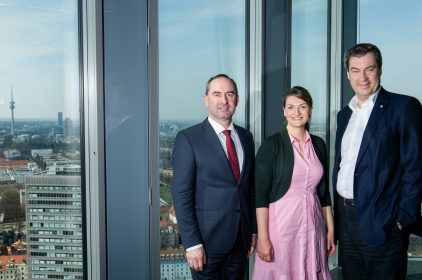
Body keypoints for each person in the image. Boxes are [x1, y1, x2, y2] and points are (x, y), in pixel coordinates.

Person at [332, 43, 422, 280]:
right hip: (346, 221)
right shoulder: (344, 114)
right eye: (355, 70)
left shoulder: (403, 107)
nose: (362, 77)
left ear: (379, 70)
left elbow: (415, 167)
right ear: (348, 73)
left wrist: (404, 218)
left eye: (369, 69)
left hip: (384, 222)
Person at [171, 74, 257, 279]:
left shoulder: (246, 137)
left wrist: (253, 230)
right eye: (217, 94)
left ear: (236, 99)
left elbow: (249, 189)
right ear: (206, 99)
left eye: (229, 94)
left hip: (240, 240)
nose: (224, 101)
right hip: (205, 244)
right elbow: (181, 195)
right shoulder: (188, 139)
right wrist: (192, 244)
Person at [253, 86, 335, 279]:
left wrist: (330, 228)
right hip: (281, 230)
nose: (296, 112)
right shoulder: (271, 145)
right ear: (284, 111)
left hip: (313, 227)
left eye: (302, 106)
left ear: (310, 110)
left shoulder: (319, 144)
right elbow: (261, 195)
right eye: (290, 107)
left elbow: (324, 193)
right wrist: (263, 237)